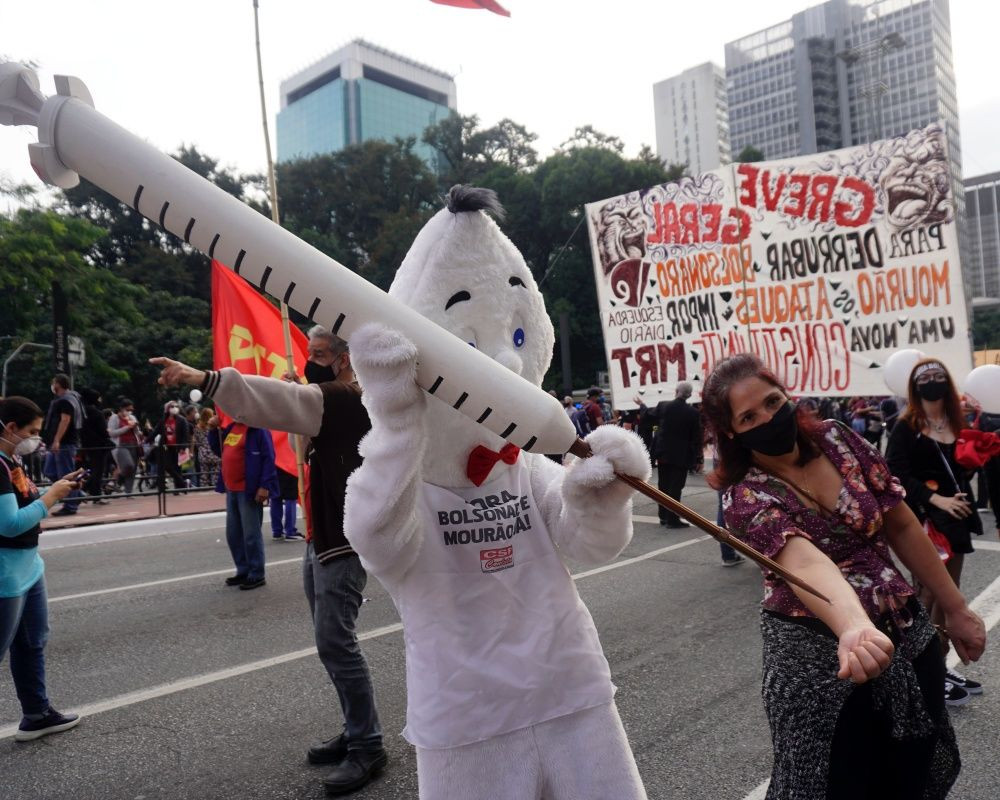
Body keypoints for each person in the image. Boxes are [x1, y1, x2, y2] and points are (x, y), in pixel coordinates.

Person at [702, 353, 985, 800]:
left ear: (789, 395)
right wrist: (854, 627)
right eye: (749, 415)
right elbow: (805, 564)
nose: (769, 417)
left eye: (774, 401)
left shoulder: (839, 439)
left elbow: (903, 523)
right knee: (840, 781)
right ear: (732, 431)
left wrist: (955, 607)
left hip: (908, 634)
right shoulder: (744, 496)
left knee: (915, 768)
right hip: (820, 661)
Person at [150, 327, 387, 795]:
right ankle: (355, 727)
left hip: (342, 539)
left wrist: (204, 377)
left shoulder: (346, 395)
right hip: (320, 534)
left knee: (336, 642)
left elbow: (274, 399)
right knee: (330, 643)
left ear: (343, 359)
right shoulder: (334, 395)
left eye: (318, 354)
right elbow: (293, 415)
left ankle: (368, 745)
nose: (310, 361)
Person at [885, 358, 984, 704]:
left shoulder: (958, 420)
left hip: (957, 521)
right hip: (926, 523)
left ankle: (939, 665)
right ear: (914, 386)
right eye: (925, 377)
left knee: (949, 596)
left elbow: (960, 469)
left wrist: (976, 460)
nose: (933, 381)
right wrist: (936, 499)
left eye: (939, 375)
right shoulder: (905, 426)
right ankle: (923, 674)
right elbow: (895, 473)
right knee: (926, 600)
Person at [1, 396, 86, 740]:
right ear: (10, 428)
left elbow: (27, 505)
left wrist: (54, 489)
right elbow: (9, 524)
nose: (37, 438)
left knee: (32, 642)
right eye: (32, 431)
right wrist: (50, 498)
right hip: (6, 575)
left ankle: (36, 713)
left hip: (29, 566)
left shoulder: (12, 459)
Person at [207, 416, 278, 591]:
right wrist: (212, 431)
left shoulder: (258, 429)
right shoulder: (232, 428)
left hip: (249, 491)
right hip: (231, 490)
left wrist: (264, 486)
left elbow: (269, 458)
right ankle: (243, 569)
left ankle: (256, 573)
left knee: (251, 534)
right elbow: (219, 450)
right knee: (234, 534)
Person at [652, 381, 701, 528]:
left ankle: (663, 516)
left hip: (663, 453)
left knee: (663, 485)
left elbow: (649, 418)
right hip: (681, 455)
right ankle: (672, 519)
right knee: (675, 487)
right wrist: (698, 458)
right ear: (690, 395)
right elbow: (696, 438)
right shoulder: (693, 413)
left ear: (676, 391)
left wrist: (641, 405)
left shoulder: (663, 406)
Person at [41, 373, 84, 516]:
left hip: (64, 443)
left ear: (58, 384)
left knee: (64, 473)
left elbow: (65, 420)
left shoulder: (66, 400)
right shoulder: (69, 398)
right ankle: (76, 492)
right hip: (60, 443)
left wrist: (57, 440)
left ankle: (71, 505)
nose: (52, 386)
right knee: (49, 471)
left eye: (54, 383)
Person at [79, 387, 112, 505]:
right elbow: (103, 431)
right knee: (98, 471)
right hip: (99, 445)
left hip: (87, 444)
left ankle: (89, 493)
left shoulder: (81, 411)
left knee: (95, 470)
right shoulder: (97, 412)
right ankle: (87, 493)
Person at [150, 401, 189, 492]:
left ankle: (179, 488)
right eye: (172, 406)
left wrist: (183, 447)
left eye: (176, 406)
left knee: (177, 468)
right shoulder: (163, 420)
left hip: (178, 447)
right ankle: (183, 484)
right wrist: (146, 440)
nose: (174, 408)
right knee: (168, 466)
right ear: (167, 409)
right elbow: (155, 431)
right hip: (167, 447)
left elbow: (185, 435)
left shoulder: (182, 420)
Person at [107, 398, 141, 495]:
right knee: (128, 465)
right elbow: (112, 433)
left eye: (131, 410)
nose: (130, 411)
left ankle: (128, 492)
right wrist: (127, 427)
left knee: (133, 468)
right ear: (122, 408)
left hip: (134, 444)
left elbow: (137, 432)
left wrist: (135, 428)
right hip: (121, 445)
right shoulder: (114, 418)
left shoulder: (132, 418)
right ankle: (115, 480)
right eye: (128, 409)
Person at [270, 466, 303, 541]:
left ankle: (277, 532)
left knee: (275, 498)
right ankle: (290, 531)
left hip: (274, 465)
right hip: (289, 467)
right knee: (290, 498)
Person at [192, 407, 221, 489]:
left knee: (204, 473)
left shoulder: (197, 427)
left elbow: (196, 440)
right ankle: (215, 486)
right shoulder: (213, 426)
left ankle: (204, 488)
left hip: (203, 453)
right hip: (213, 452)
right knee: (216, 471)